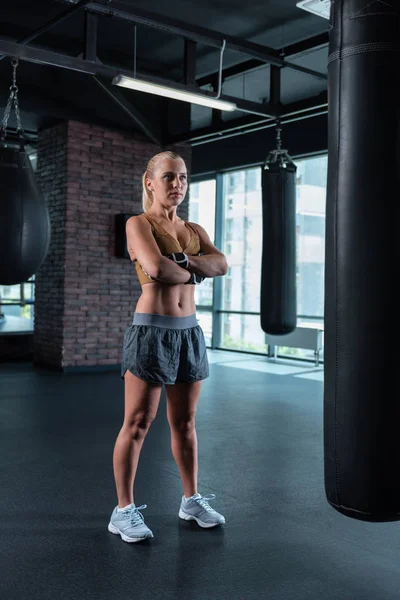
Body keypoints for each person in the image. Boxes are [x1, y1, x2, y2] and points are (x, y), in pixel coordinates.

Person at [108, 151, 228, 543]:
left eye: (183, 177)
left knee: (186, 423)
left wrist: (181, 261)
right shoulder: (137, 224)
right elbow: (158, 271)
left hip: (190, 333)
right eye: (169, 177)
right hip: (151, 332)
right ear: (150, 182)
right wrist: (194, 265)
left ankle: (191, 499)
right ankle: (122, 510)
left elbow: (222, 265)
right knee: (138, 423)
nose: (177, 184)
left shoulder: (194, 228)